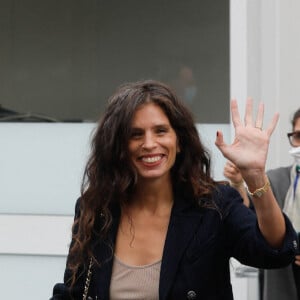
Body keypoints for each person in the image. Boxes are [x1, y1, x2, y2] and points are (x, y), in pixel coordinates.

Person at [51, 80, 297, 300]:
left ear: (179, 140)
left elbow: (274, 251)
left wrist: (255, 177)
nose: (149, 144)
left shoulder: (214, 205)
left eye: (160, 131)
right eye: (135, 134)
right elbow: (73, 292)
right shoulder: (97, 209)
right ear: (119, 146)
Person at [223, 107, 300, 300]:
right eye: (298, 136)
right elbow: (251, 219)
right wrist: (241, 181)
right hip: (284, 285)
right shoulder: (276, 180)